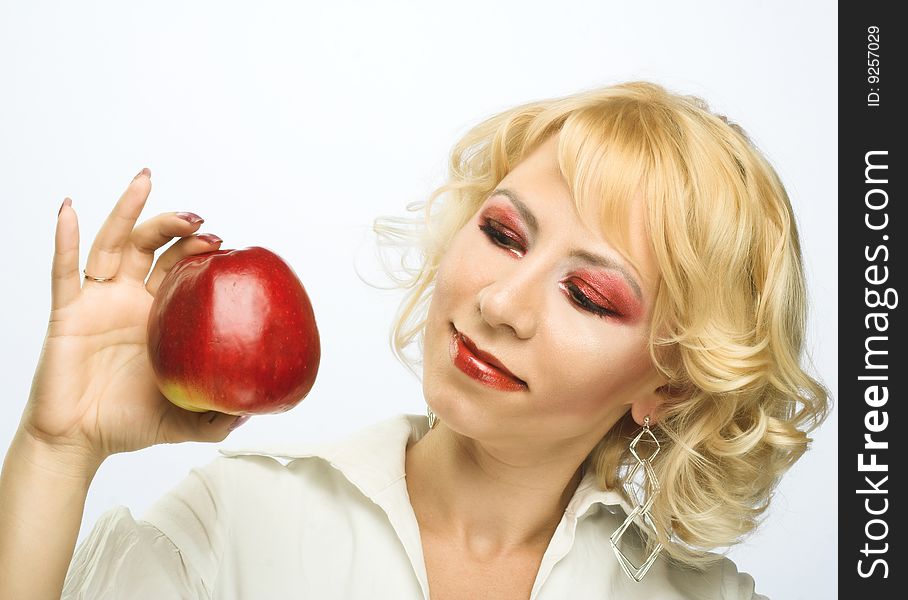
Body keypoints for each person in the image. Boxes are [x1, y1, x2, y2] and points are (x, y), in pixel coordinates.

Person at [0, 80, 829, 599]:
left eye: (587, 293)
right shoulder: (238, 521)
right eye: (504, 234)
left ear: (670, 387)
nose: (502, 300)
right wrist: (55, 448)